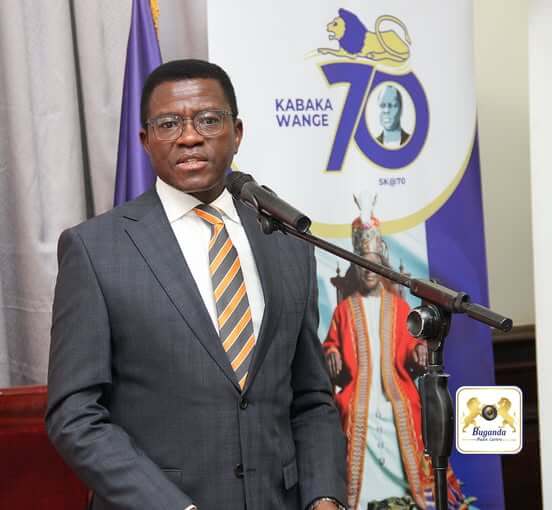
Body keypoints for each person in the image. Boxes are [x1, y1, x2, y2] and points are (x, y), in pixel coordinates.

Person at [46, 59, 346, 510]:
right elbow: (75, 415)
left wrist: (324, 496)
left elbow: (311, 397)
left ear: (237, 131)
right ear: (146, 141)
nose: (189, 136)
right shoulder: (95, 249)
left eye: (208, 119)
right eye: (169, 123)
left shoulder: (287, 241)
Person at [323, 210, 469, 510]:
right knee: (354, 411)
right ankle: (360, 500)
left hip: (395, 388)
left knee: (405, 408)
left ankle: (412, 496)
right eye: (364, 266)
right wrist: (333, 354)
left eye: (375, 265)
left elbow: (413, 347)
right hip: (358, 392)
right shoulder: (345, 310)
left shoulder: (400, 307)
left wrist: (418, 352)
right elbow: (331, 345)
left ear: (383, 267)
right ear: (357, 267)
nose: (369, 271)